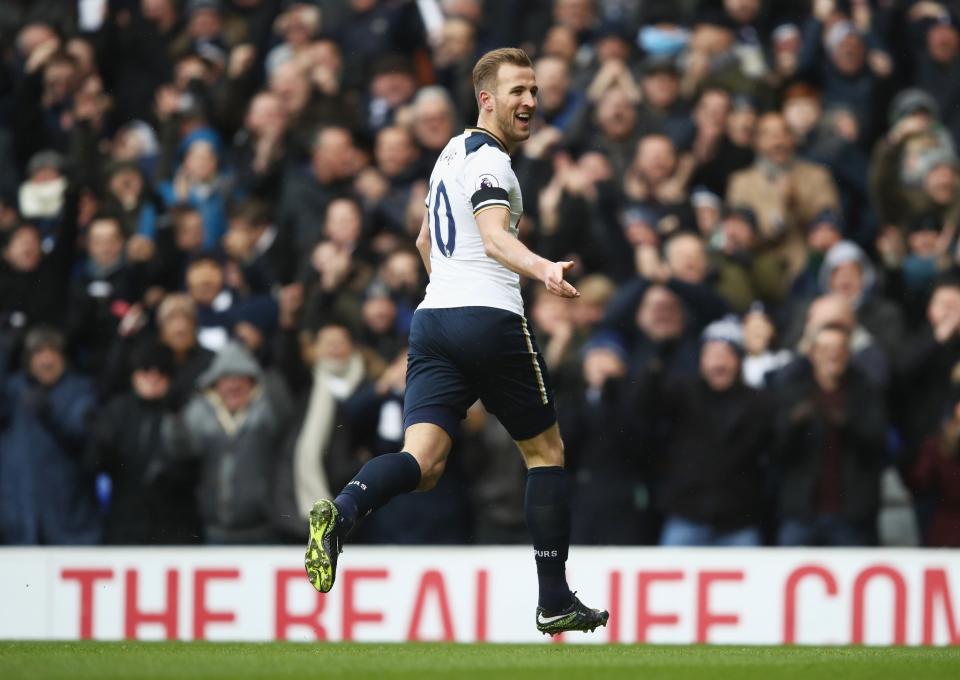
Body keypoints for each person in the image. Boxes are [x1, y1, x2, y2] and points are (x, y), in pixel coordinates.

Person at [304, 48, 609, 635]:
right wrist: (543, 268)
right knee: (545, 453)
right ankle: (553, 599)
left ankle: (342, 512)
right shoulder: (491, 159)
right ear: (486, 99)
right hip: (488, 315)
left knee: (424, 462)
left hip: (433, 319)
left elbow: (424, 239)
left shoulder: (449, 154)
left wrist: (449, 285)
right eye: (518, 91)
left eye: (534, 91)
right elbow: (494, 238)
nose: (529, 102)